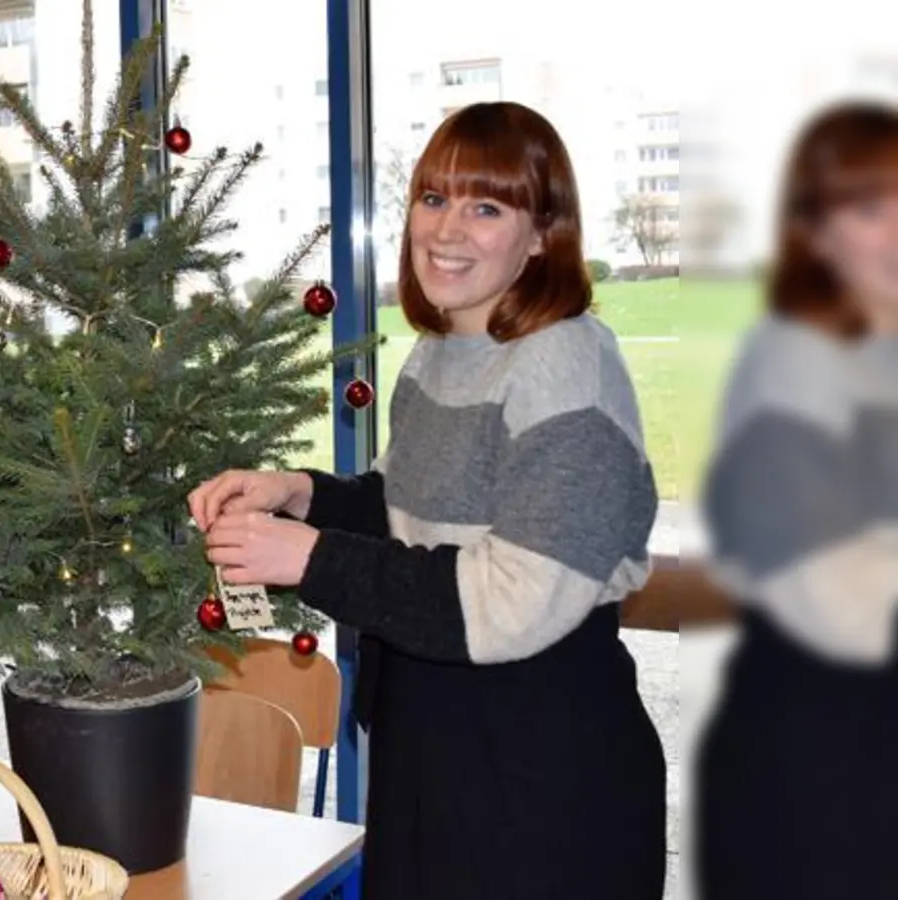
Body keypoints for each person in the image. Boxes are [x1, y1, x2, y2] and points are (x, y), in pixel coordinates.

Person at [189, 102, 666, 899]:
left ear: (543, 234)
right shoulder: (443, 349)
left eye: (487, 207)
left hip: (542, 777)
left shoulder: (569, 367)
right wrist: (300, 497)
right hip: (433, 749)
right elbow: (407, 511)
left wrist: (310, 557)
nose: (447, 230)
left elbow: (512, 598)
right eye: (433, 198)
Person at [696, 101, 898, 899]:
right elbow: (838, 603)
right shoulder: (792, 370)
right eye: (871, 208)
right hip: (821, 783)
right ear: (816, 235)